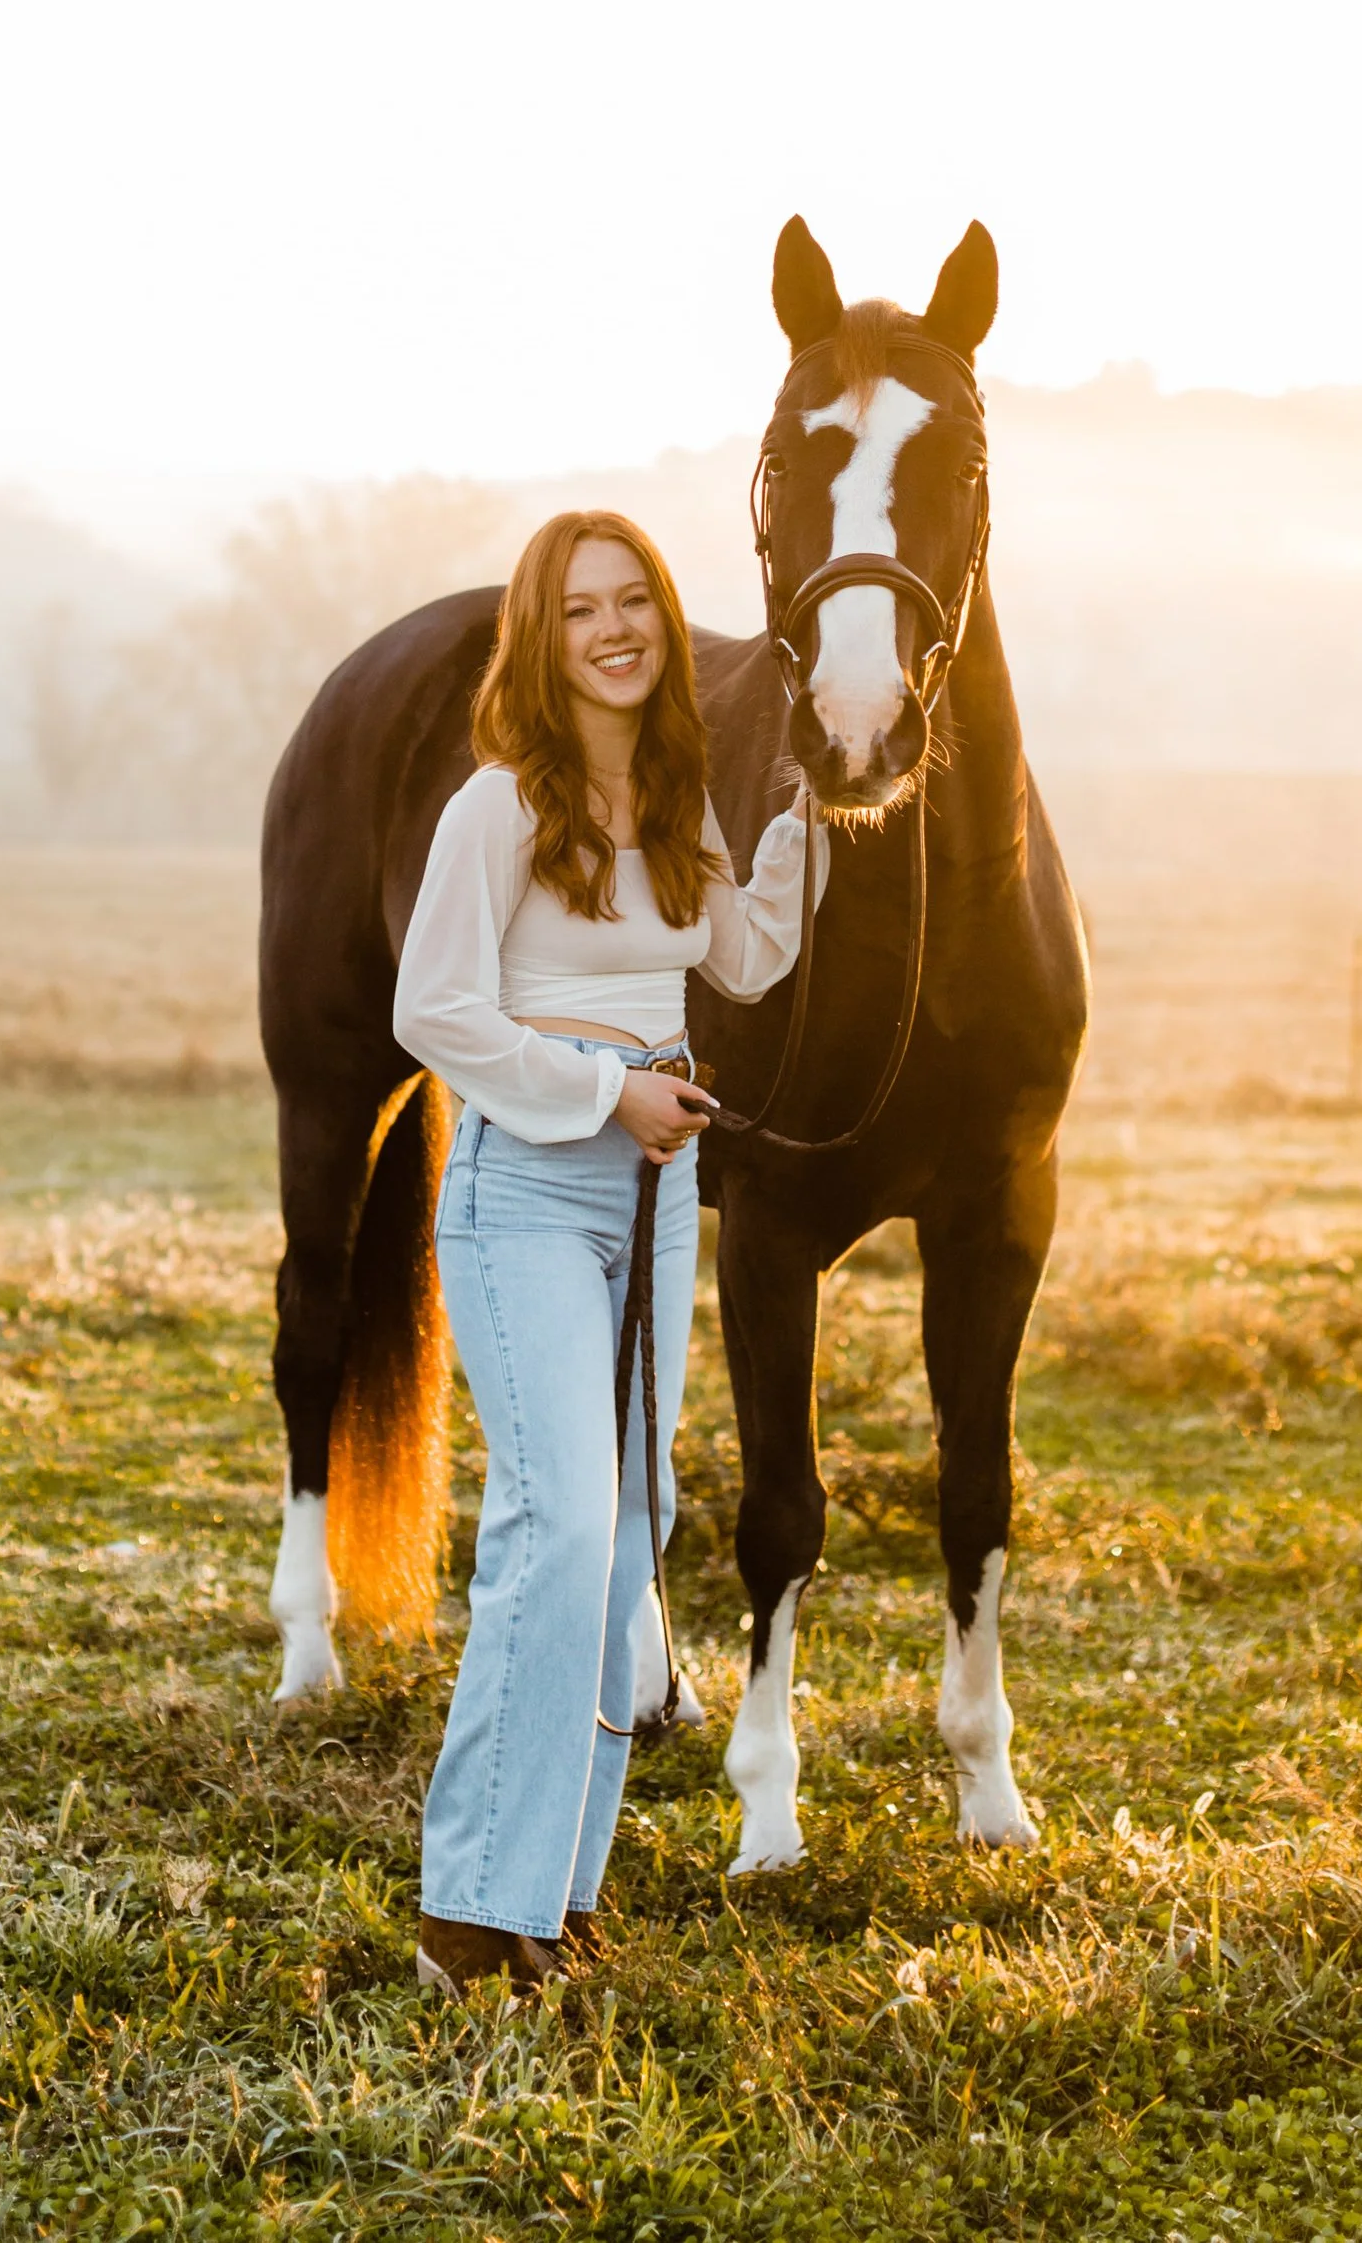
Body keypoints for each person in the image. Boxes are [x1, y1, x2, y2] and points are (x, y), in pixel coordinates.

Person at [394, 506, 822, 2000]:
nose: (614, 629)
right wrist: (605, 1092)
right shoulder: (500, 806)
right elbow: (434, 1009)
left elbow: (742, 954)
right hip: (528, 1185)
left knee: (630, 1533)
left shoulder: (678, 799)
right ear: (542, 635)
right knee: (561, 1526)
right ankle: (469, 1912)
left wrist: (807, 830)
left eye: (633, 600)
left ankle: (555, 1898)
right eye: (580, 609)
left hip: (656, 1189)